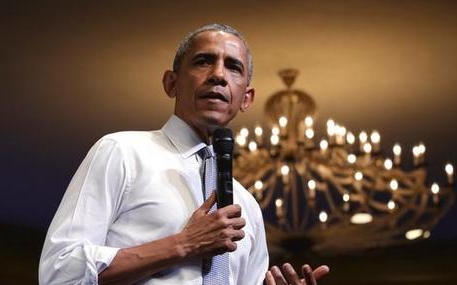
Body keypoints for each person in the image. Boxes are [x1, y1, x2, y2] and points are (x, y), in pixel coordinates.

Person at [39, 24, 330, 285]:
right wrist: (183, 244)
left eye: (233, 67)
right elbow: (59, 273)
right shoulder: (122, 152)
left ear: (246, 98)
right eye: (203, 61)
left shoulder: (248, 207)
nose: (218, 75)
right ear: (171, 83)